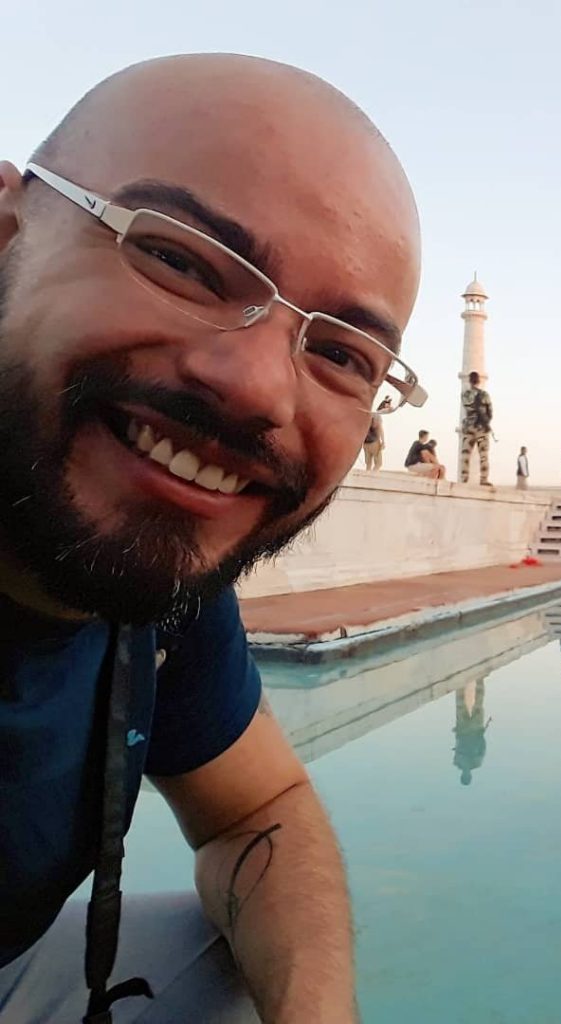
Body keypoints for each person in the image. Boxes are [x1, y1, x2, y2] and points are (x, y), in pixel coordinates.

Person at [0, 53, 426, 1023]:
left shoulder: (154, 584)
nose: (259, 387)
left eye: (341, 353)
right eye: (183, 261)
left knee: (250, 952)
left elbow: (258, 813)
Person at [459, 370, 493, 485]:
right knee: (483, 455)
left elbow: (467, 407)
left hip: (469, 427)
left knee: (465, 454)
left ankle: (464, 478)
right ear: (479, 381)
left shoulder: (465, 395)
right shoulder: (484, 395)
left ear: (469, 381)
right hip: (481, 428)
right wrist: (486, 422)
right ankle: (483, 479)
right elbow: (490, 412)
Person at [362, 396, 391, 470]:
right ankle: (373, 475)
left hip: (365, 443)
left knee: (368, 464)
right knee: (378, 464)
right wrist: (383, 441)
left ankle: (368, 476)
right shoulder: (376, 414)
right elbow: (380, 429)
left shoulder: (364, 414)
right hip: (374, 442)